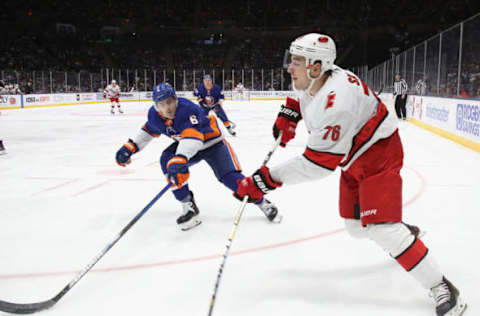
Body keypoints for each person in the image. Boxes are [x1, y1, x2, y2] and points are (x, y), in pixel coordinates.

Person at [234, 33, 466, 316]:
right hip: (353, 158)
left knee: (381, 229)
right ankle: (401, 232)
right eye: (291, 59)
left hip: (380, 154)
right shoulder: (317, 76)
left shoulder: (337, 103)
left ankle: (441, 287)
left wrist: (266, 179)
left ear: (316, 66)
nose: (289, 67)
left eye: (296, 62)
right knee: (356, 228)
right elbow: (302, 94)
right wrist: (291, 111)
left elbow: (316, 165)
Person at [115, 83, 281, 231]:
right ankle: (188, 206)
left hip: (213, 144)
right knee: (166, 160)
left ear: (176, 100)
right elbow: (148, 131)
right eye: (163, 104)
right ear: (156, 106)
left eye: (170, 101)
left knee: (230, 178)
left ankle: (262, 203)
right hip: (187, 145)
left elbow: (193, 139)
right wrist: (130, 147)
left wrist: (180, 158)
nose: (168, 107)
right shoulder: (154, 115)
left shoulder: (188, 109)